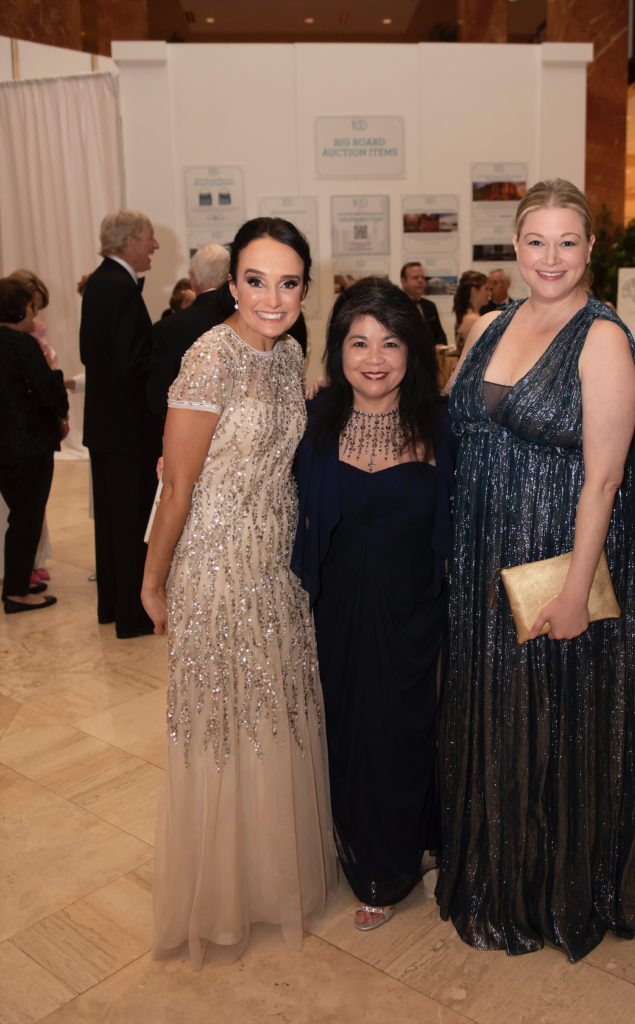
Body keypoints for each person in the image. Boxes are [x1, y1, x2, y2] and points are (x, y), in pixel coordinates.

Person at [436, 179, 635, 961]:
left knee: (548, 719)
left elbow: (603, 479)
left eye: (568, 242)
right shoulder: (489, 325)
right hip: (479, 557)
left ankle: (549, 889)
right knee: (489, 709)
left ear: (590, 248)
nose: (551, 257)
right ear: (515, 246)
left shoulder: (600, 338)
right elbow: (457, 429)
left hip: (552, 559)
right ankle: (490, 873)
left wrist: (573, 593)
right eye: (537, 241)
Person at [141, 217, 336, 968]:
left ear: (304, 290)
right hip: (218, 565)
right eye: (256, 280)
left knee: (274, 712)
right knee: (225, 720)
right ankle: (221, 896)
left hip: (275, 561)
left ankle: (269, 881)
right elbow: (179, 484)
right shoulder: (207, 356)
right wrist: (153, 581)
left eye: (287, 283)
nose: (271, 297)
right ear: (231, 283)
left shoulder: (288, 355)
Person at [292, 277, 454, 931]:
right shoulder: (312, 424)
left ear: (412, 350)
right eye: (358, 341)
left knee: (403, 736)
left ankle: (398, 857)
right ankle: (361, 855)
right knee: (346, 735)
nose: (374, 356)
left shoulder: (441, 429)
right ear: (337, 350)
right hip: (332, 618)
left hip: (415, 620)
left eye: (389, 341)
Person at [80, 208, 160, 638]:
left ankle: (112, 606)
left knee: (112, 524)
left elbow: (92, 354)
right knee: (131, 525)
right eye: (149, 237)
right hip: (129, 430)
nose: (154, 245)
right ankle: (132, 617)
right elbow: (135, 362)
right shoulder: (121, 287)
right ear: (130, 241)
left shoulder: (98, 282)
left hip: (105, 425)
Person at [0, 278, 68, 613]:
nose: (34, 314)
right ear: (18, 309)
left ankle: (18, 581)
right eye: (31, 307)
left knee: (19, 516)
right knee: (28, 517)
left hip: (4, 446)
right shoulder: (22, 344)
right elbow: (47, 389)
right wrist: (62, 410)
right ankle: (16, 592)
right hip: (29, 442)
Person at [146, 244, 231, 432]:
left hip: (186, 433)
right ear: (229, 278)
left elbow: (157, 397)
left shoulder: (167, 328)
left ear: (192, 280)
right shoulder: (247, 322)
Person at [400, 262, 448, 346]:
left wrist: (440, 345)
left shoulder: (430, 306)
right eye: (415, 277)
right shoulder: (395, 306)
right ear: (403, 282)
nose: (420, 280)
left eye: (422, 277)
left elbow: (440, 335)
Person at [452, 270, 490, 355]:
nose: (489, 293)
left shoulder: (464, 315)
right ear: (474, 291)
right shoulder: (473, 319)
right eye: (486, 289)